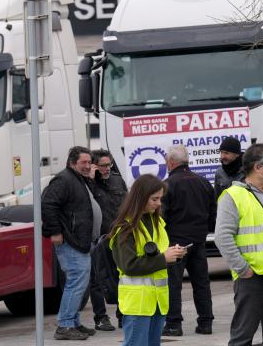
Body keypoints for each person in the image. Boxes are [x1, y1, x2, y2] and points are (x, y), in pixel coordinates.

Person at [215, 143, 263, 346]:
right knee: (242, 337)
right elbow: (223, 237)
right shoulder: (233, 196)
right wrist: (243, 269)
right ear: (258, 167)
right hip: (253, 278)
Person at [110, 174, 188, 346]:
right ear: (141, 197)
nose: (159, 203)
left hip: (158, 302)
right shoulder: (125, 228)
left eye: (160, 198)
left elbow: (158, 254)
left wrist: (173, 254)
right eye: (154, 199)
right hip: (138, 304)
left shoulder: (157, 222)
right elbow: (129, 265)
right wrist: (164, 258)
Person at [42, 146, 103, 340]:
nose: (88, 166)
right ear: (71, 163)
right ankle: (65, 325)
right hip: (71, 241)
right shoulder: (63, 180)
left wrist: (91, 180)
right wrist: (55, 232)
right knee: (76, 282)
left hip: (81, 241)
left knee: (79, 283)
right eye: (84, 162)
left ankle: (73, 322)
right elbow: (48, 204)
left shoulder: (79, 179)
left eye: (89, 162)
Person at [162, 145, 216, 336]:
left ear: (171, 162)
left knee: (173, 284)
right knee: (201, 283)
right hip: (199, 241)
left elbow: (162, 217)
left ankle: (173, 324)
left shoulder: (167, 185)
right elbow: (213, 214)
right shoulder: (203, 182)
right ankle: (206, 323)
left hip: (175, 242)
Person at [89, 149, 128, 331]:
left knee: (121, 275)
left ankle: (123, 314)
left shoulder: (117, 180)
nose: (106, 169)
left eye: (109, 165)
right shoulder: (88, 183)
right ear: (94, 166)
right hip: (98, 237)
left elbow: (127, 204)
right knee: (97, 278)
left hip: (118, 235)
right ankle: (101, 317)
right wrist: (91, 179)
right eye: (102, 166)